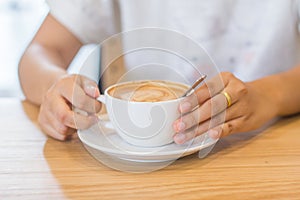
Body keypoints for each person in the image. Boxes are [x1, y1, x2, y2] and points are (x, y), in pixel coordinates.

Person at [19, 0, 300, 144]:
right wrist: (54, 87)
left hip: (271, 145)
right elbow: (40, 51)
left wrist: (270, 95)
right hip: (146, 165)